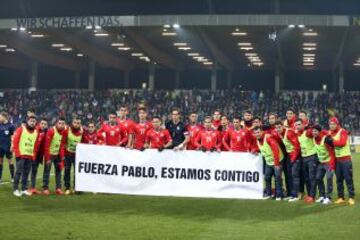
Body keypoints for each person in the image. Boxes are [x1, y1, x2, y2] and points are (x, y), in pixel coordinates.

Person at [328, 117, 355, 205]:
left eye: (333, 124)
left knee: (348, 179)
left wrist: (332, 141)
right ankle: (341, 197)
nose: (331, 126)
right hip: (337, 160)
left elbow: (342, 143)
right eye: (330, 124)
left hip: (345, 159)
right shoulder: (330, 133)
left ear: (337, 124)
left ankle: (351, 197)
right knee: (339, 180)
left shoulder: (342, 131)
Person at [12, 116, 41, 197]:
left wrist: (34, 155)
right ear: (28, 121)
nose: (32, 122)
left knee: (26, 173)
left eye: (34, 121)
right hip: (21, 155)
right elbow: (15, 141)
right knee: (18, 172)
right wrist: (17, 154)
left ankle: (24, 189)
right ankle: (15, 189)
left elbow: (35, 146)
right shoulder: (21, 129)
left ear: (35, 123)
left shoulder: (36, 132)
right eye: (31, 121)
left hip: (29, 156)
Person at [253, 126, 284, 200]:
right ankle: (268, 193)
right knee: (267, 177)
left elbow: (276, 150)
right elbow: (261, 149)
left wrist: (276, 164)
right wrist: (255, 150)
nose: (257, 134)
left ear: (262, 132)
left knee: (277, 178)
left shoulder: (268, 138)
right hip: (269, 162)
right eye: (255, 133)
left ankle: (279, 195)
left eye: (258, 132)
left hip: (277, 160)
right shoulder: (257, 140)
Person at [274, 121, 301, 202]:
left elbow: (297, 146)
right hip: (290, 156)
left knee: (294, 175)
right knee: (289, 175)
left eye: (279, 127)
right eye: (277, 128)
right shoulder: (280, 134)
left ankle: (296, 195)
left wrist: (294, 158)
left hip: (295, 155)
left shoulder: (289, 133)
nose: (278, 129)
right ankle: (291, 194)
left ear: (283, 126)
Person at [294, 118, 318, 203]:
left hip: (312, 157)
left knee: (312, 177)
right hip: (304, 158)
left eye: (299, 124)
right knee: (307, 178)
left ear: (303, 125)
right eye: (296, 125)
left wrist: (310, 127)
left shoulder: (307, 132)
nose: (298, 126)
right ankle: (309, 195)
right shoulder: (297, 133)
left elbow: (314, 132)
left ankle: (312, 195)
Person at [312, 125, 335, 205]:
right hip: (321, 163)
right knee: (318, 178)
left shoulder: (326, 139)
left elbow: (332, 152)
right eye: (313, 131)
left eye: (315, 131)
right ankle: (322, 195)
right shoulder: (314, 139)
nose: (314, 133)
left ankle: (328, 197)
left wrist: (332, 164)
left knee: (329, 178)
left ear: (319, 132)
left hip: (328, 162)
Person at [43, 117, 67, 195]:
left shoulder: (64, 132)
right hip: (50, 154)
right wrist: (47, 157)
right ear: (56, 123)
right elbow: (46, 145)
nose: (61, 125)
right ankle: (45, 188)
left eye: (63, 123)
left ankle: (58, 188)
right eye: (59, 123)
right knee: (47, 171)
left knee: (58, 171)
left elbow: (62, 145)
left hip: (58, 155)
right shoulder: (51, 131)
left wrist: (62, 157)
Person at [63, 117, 84, 195]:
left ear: (80, 124)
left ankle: (76, 187)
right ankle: (67, 188)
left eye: (78, 123)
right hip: (68, 154)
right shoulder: (67, 130)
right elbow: (63, 143)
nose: (76, 124)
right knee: (67, 171)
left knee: (77, 172)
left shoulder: (82, 131)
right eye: (75, 122)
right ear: (72, 122)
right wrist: (63, 155)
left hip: (77, 155)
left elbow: (83, 143)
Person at [29, 118, 48, 194]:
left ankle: (32, 187)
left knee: (35, 170)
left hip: (40, 154)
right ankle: (31, 187)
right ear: (39, 124)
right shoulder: (35, 130)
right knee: (32, 170)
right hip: (34, 154)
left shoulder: (46, 132)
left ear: (47, 125)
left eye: (45, 124)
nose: (43, 125)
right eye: (42, 123)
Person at [0, 111, 15, 184]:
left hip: (8, 146)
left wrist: (12, 145)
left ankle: (12, 177)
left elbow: (12, 136)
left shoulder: (11, 125)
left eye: (0, 116)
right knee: (0, 161)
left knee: (10, 162)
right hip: (0, 146)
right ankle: (0, 178)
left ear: (4, 117)